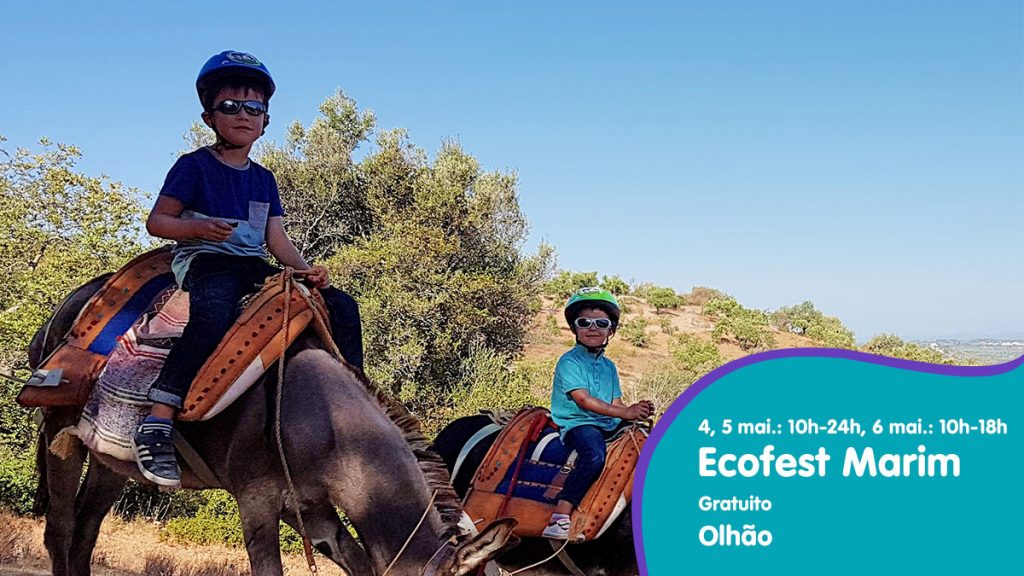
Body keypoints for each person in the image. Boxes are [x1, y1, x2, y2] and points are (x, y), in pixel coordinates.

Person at [131, 50, 364, 488]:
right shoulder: (193, 166)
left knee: (341, 306)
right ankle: (159, 417)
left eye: (254, 108)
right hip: (205, 259)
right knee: (214, 311)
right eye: (230, 106)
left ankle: (356, 407)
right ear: (209, 117)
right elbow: (157, 222)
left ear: (265, 121)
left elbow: (275, 239)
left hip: (253, 264)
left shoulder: (264, 179)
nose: (243, 115)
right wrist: (198, 228)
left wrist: (307, 270)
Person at [542, 287, 654, 540]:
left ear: (610, 330)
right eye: (585, 322)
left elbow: (616, 402)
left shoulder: (609, 366)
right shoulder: (569, 362)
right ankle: (560, 515)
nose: (593, 328)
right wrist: (625, 411)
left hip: (608, 422)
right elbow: (583, 400)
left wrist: (635, 413)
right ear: (575, 328)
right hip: (579, 423)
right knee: (593, 455)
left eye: (601, 323)